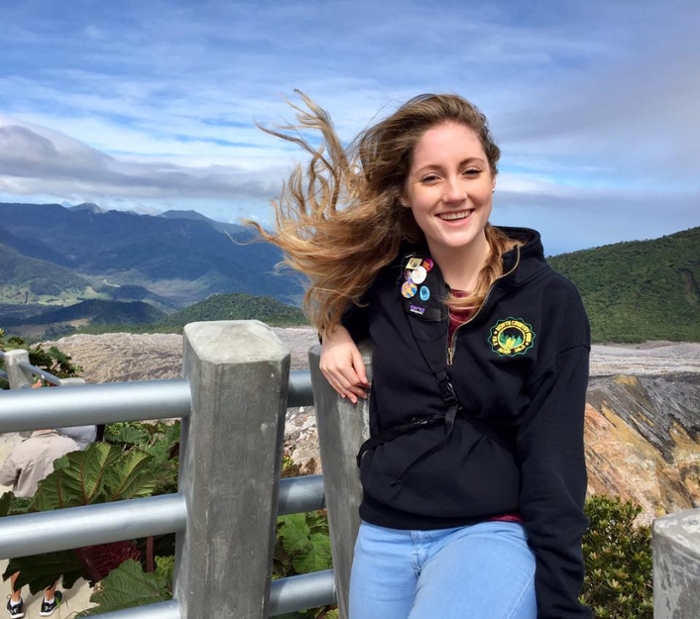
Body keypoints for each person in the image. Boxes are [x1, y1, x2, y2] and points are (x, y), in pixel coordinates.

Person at [252, 92, 591, 619]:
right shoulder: (393, 281)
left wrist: (562, 602)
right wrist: (334, 334)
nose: (455, 193)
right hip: (384, 536)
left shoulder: (548, 301)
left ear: (493, 179)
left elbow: (555, 457)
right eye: (432, 177)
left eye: (470, 171)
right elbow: (335, 304)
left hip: (488, 530)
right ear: (406, 193)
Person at [0, 429, 79, 617]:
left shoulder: (21, 449)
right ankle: (49, 600)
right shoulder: (70, 446)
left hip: (25, 509)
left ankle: (16, 602)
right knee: (53, 555)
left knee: (18, 557)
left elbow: (4, 479)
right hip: (55, 508)